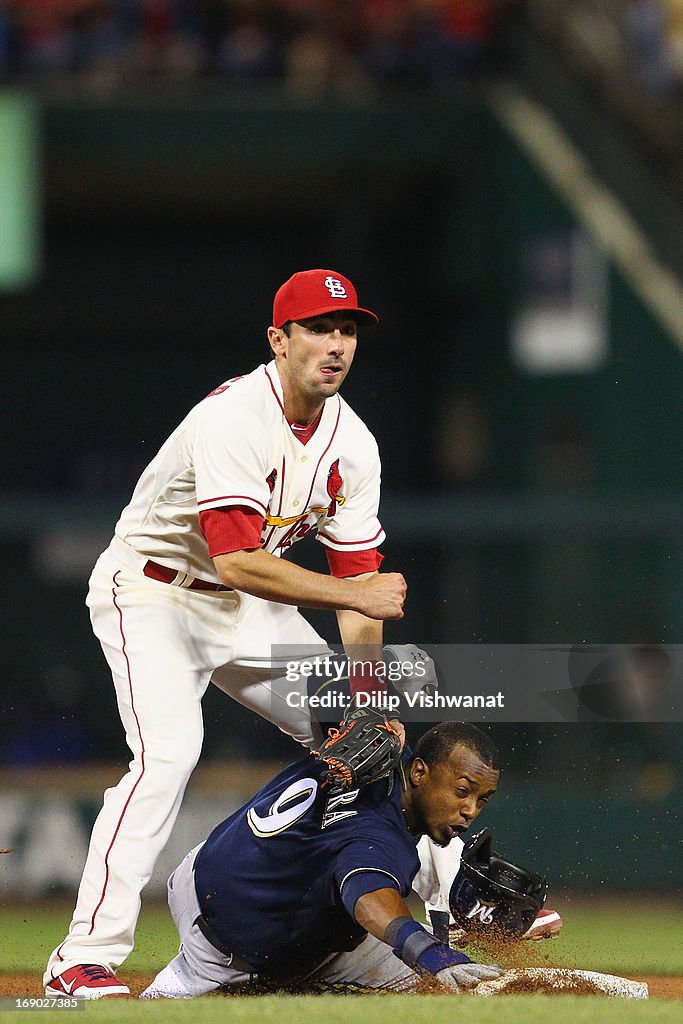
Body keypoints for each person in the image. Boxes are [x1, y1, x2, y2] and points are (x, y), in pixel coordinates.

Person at [44, 268, 407, 998]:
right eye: (318, 329)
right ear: (279, 339)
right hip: (153, 593)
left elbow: (361, 601)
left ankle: (449, 903)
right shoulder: (234, 416)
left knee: (366, 743)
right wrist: (349, 590)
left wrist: (366, 696)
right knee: (168, 755)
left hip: (247, 607)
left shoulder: (353, 444)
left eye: (347, 331)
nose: (336, 345)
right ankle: (79, 958)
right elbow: (238, 561)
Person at [140, 722, 504, 999]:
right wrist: (427, 951)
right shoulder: (377, 833)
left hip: (213, 868)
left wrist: (378, 707)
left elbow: (324, 681)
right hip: (223, 952)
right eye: (462, 791)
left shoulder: (381, 744)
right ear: (420, 772)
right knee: (446, 978)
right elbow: (368, 900)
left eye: (482, 799)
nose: (471, 809)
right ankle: (194, 981)